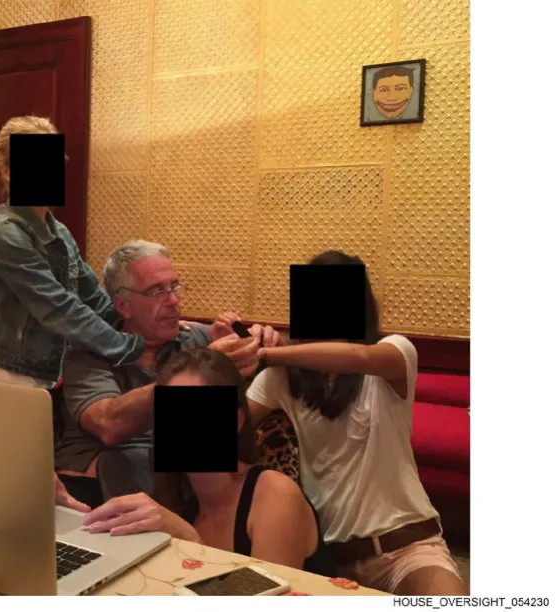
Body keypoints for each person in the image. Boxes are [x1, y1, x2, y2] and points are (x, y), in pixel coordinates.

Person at [0, 116, 185, 511]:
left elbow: (94, 297)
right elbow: (57, 307)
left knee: (28, 502)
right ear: (7, 170)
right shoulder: (1, 232)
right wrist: (130, 346)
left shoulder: (58, 232)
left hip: (42, 382)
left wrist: (150, 323)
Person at [246, 250, 467, 595]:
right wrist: (225, 356)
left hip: (407, 550)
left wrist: (265, 353)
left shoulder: (395, 352)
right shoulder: (282, 377)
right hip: (326, 561)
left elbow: (360, 357)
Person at [55, 240, 281, 508]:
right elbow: (109, 425)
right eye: (156, 291)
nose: (174, 301)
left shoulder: (196, 338)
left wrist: (263, 343)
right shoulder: (89, 352)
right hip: (97, 486)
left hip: (183, 482)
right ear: (123, 306)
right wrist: (198, 371)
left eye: (174, 287)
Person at [81, 348, 335, 576]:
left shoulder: (275, 494)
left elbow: (265, 599)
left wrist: (191, 540)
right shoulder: (179, 502)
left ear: (235, 421)